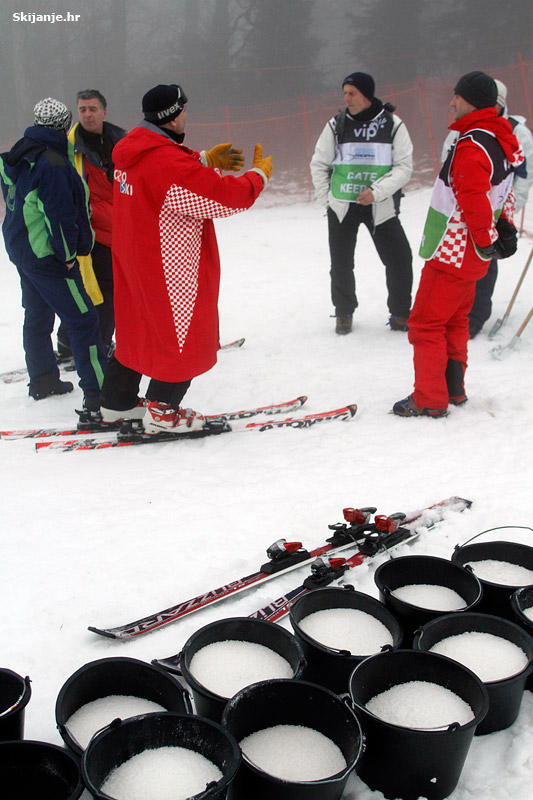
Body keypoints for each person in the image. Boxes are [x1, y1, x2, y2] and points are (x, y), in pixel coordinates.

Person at [97, 83, 272, 434]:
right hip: (171, 267)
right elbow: (224, 198)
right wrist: (258, 177)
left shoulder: (130, 151)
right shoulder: (167, 163)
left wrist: (203, 160)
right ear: (173, 117)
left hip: (135, 262)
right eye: (184, 112)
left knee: (137, 331)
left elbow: (163, 174)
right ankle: (163, 413)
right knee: (182, 338)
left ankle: (116, 403)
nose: (186, 117)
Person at [393, 71, 524, 418]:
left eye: (457, 97)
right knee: (454, 320)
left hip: (452, 249)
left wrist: (487, 241)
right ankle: (453, 390)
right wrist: (501, 232)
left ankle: (429, 399)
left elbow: (473, 198)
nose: (451, 103)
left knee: (424, 323)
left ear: (473, 101)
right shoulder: (500, 138)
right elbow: (503, 192)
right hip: (472, 253)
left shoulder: (472, 144)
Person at [0, 98, 107, 405]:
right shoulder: (53, 163)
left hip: (23, 251)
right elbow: (58, 217)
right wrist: (68, 257)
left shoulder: (23, 152)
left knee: (37, 316)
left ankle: (43, 380)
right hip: (48, 257)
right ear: (64, 125)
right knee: (84, 320)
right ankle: (100, 397)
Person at [310, 71, 414, 335]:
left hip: (380, 206)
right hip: (342, 207)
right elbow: (319, 164)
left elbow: (404, 167)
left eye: (352, 93)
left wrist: (377, 191)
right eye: (344, 93)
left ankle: (401, 313)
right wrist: (327, 201)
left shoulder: (393, 123)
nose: (346, 98)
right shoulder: (336, 124)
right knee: (341, 263)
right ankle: (344, 312)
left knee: (400, 258)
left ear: (367, 94)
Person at [441, 79, 533, 338]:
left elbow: (525, 174)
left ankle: (476, 315)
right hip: (459, 212)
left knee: (485, 260)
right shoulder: (461, 129)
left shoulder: (516, 131)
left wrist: (509, 210)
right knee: (456, 260)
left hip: (494, 209)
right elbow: (446, 165)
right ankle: (455, 311)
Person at [56, 89, 127, 358]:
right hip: (88, 233)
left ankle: (69, 344)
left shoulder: (121, 140)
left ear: (104, 112)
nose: (87, 114)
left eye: (93, 109)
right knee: (101, 292)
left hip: (118, 228)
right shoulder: (67, 146)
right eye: (82, 109)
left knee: (92, 291)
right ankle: (98, 345)